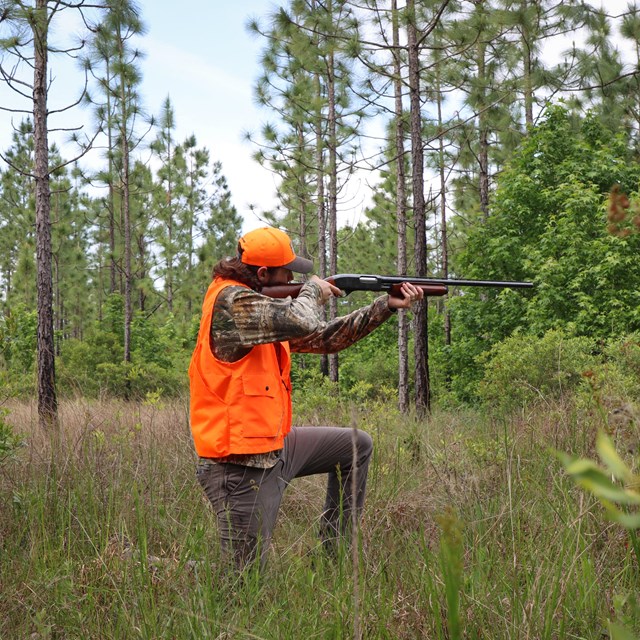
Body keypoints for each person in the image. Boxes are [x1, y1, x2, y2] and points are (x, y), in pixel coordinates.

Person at [189, 226, 423, 570]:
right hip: (238, 467)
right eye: (288, 272)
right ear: (264, 274)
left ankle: (334, 558)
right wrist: (313, 289)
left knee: (356, 446)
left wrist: (385, 306)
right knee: (240, 583)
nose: (294, 277)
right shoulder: (232, 304)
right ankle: (142, 566)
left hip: (275, 447)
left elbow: (325, 337)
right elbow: (302, 319)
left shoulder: (262, 311)